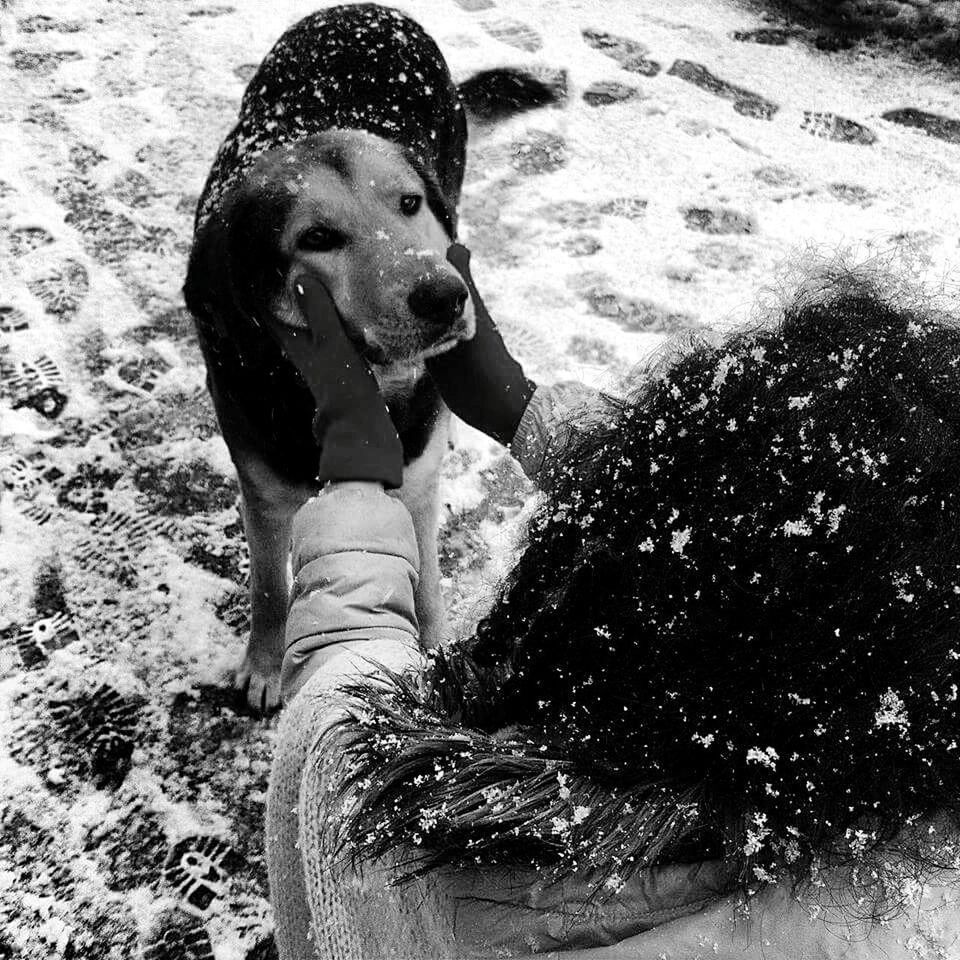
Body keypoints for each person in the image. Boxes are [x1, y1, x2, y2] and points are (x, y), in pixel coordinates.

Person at [265, 245, 960, 958]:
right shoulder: (905, 865)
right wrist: (523, 411)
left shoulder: (425, 887)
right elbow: (761, 544)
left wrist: (354, 468)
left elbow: (338, 704)